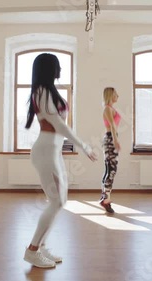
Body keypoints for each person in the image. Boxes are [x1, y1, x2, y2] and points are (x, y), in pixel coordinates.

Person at [23, 53, 97, 268]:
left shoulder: (47, 91)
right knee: (56, 201)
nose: (60, 69)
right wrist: (83, 145)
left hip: (53, 151)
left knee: (60, 201)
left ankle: (42, 247)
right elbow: (59, 125)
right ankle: (32, 250)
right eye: (57, 65)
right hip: (45, 151)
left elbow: (59, 125)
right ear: (48, 69)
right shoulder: (42, 91)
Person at [99, 87, 121, 214]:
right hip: (110, 139)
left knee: (109, 169)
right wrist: (115, 141)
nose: (118, 95)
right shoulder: (107, 108)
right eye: (116, 94)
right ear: (111, 95)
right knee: (111, 170)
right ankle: (106, 200)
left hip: (111, 138)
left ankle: (105, 198)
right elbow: (112, 125)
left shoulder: (110, 108)